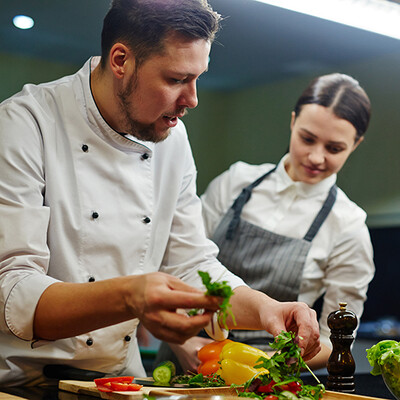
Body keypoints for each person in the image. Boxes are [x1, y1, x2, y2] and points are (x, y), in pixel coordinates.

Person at [0, 0, 320, 387]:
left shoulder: (172, 139)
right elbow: (11, 288)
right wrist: (130, 296)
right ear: (121, 60)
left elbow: (192, 266)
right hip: (19, 383)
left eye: (198, 78)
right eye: (176, 79)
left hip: (117, 383)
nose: (193, 99)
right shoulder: (24, 124)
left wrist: (267, 308)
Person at [157, 73, 375, 372]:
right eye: (307, 138)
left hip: (265, 375)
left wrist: (265, 365)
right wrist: (180, 343)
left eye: (334, 148)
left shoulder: (349, 227)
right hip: (183, 354)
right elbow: (175, 263)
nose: (316, 157)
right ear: (293, 121)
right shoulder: (235, 183)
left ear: (356, 144)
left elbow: (336, 340)